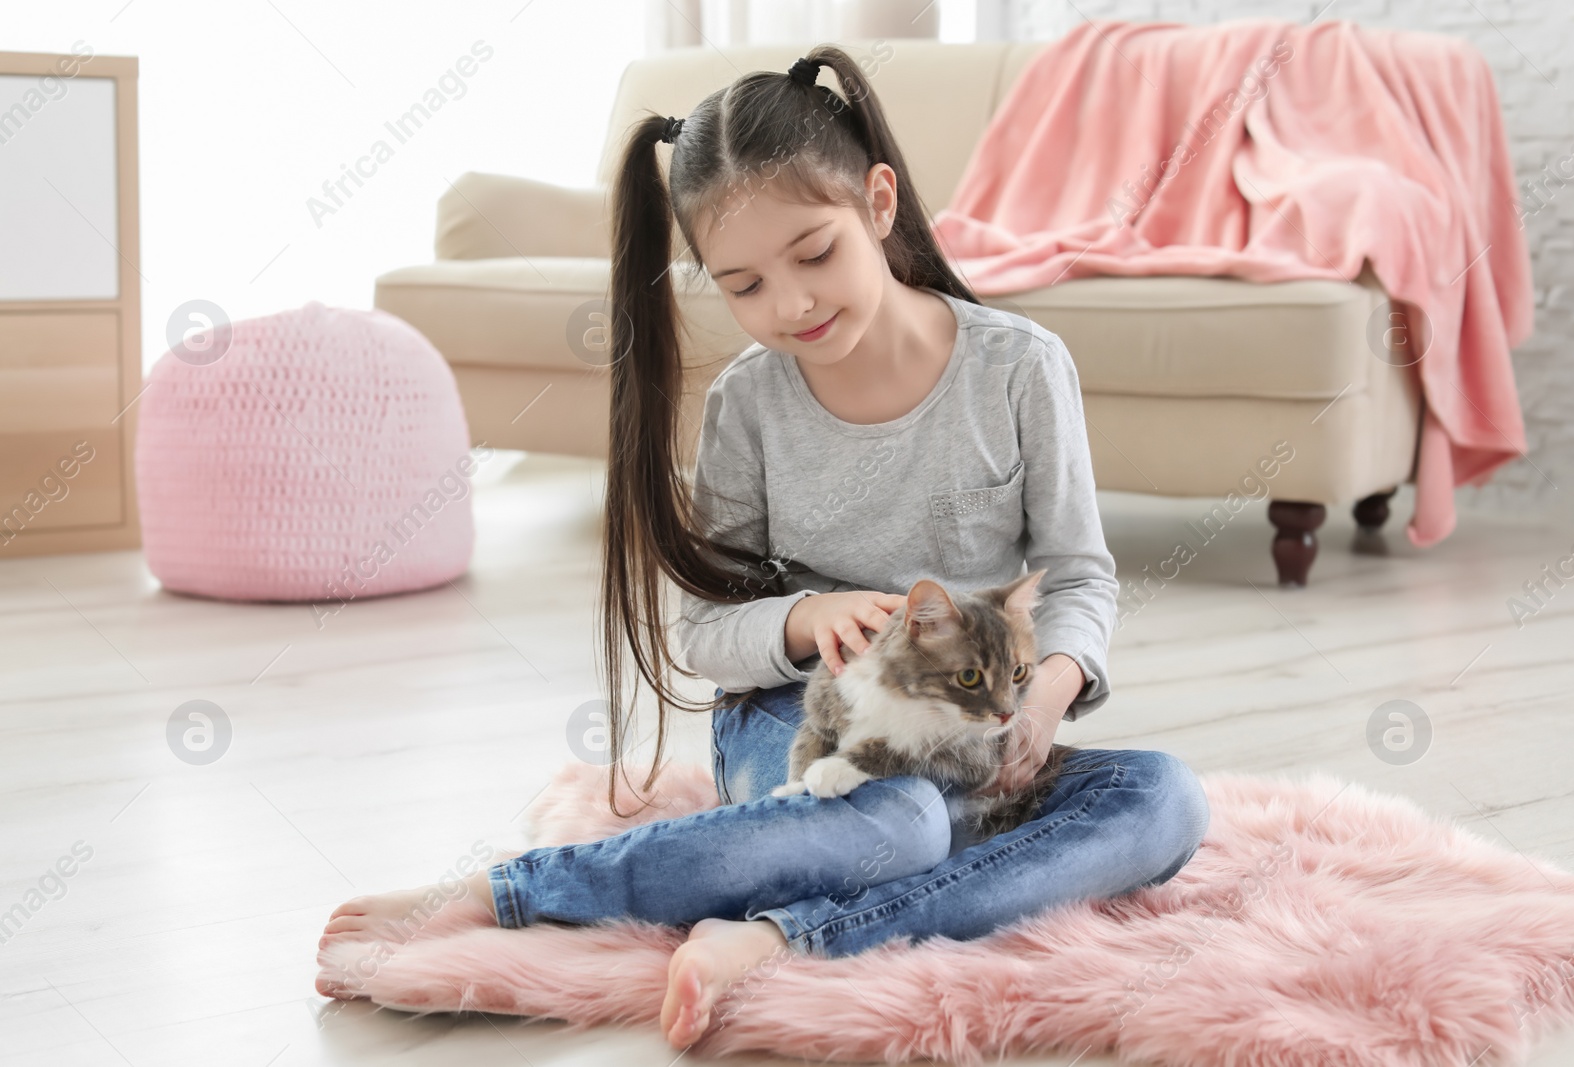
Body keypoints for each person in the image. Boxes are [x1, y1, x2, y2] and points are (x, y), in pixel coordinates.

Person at [317, 45, 1210, 1051]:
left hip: (967, 730)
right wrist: (799, 617)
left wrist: (1046, 687)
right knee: (899, 823)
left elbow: (1079, 568)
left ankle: (789, 929)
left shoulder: (1017, 368)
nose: (790, 304)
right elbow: (702, 628)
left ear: (878, 203)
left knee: (1165, 798)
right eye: (742, 283)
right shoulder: (749, 402)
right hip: (808, 727)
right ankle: (513, 889)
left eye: (814, 254)